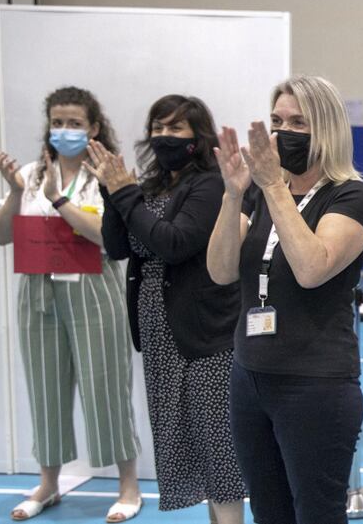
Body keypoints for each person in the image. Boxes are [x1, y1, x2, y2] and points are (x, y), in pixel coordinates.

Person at [207, 75, 363, 523]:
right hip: (250, 377)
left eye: (299, 122)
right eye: (278, 120)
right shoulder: (259, 195)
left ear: (327, 129)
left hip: (314, 384)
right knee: (269, 511)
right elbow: (220, 269)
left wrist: (276, 189)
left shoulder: (351, 195)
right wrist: (233, 193)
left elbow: (312, 267)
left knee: (316, 514)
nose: (283, 132)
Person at [86, 95, 246, 523]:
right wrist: (111, 192)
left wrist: (125, 193)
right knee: (187, 445)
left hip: (204, 334)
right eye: (158, 127)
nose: (164, 136)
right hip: (160, 332)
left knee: (219, 450)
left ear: (198, 135)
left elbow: (173, 244)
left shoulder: (210, 185)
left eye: (176, 128)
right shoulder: (154, 186)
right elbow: (119, 247)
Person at [0, 86, 142, 523]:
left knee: (106, 389)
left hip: (93, 288)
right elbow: (1, 235)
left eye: (75, 123)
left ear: (93, 127)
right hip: (38, 291)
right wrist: (17, 193)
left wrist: (60, 200)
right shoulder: (33, 173)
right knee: (45, 389)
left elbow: (109, 239)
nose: (65, 130)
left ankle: (128, 484)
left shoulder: (109, 176)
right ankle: (48, 482)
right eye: (58, 122)